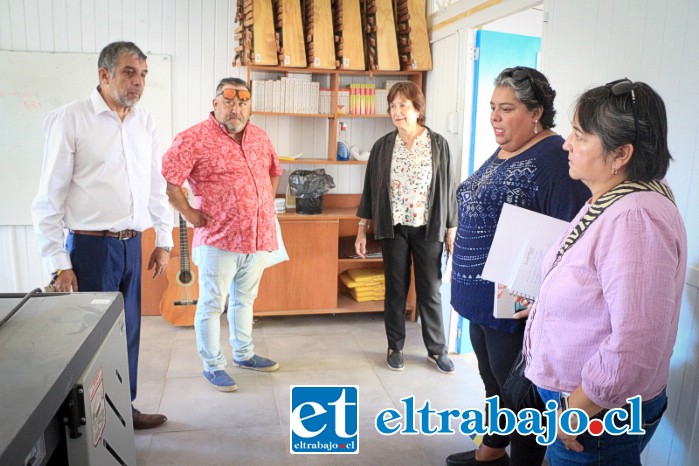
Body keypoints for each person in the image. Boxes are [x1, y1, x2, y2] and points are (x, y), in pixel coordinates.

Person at [522, 79, 687, 465]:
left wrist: (576, 409)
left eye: (580, 136)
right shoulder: (619, 195)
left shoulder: (636, 217)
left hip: (596, 411)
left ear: (621, 154)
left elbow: (637, 340)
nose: (566, 144)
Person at [447, 67, 590, 466]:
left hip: (514, 309)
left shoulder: (555, 159)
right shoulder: (506, 147)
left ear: (536, 113)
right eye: (493, 107)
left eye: (506, 109)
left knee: (524, 401)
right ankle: (492, 453)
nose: (494, 116)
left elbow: (571, 239)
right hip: (480, 304)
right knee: (495, 389)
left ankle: (517, 459)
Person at [31, 41, 173, 430]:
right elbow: (47, 200)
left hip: (132, 245)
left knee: (127, 333)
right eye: (129, 72)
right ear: (104, 74)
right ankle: (91, 422)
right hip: (90, 248)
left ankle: (122, 410)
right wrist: (59, 263)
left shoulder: (145, 123)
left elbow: (155, 186)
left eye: (143, 74)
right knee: (90, 340)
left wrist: (163, 240)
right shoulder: (71, 120)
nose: (138, 82)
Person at [162, 77, 283, 392]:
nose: (236, 108)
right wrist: (189, 214)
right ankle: (213, 366)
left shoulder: (259, 137)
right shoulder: (193, 139)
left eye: (243, 102)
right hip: (218, 239)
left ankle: (243, 354)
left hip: (257, 239)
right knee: (213, 304)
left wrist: (265, 206)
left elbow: (274, 172)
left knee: (245, 300)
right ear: (215, 104)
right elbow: (171, 183)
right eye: (228, 101)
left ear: (250, 107)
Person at [355, 81, 457, 374]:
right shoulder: (383, 146)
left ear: (417, 108)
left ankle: (436, 350)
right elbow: (370, 190)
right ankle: (395, 346)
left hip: (428, 228)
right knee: (395, 289)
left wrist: (451, 229)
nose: (397, 112)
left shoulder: (438, 144)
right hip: (394, 226)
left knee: (431, 290)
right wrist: (362, 229)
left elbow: (448, 189)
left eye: (403, 105)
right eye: (392, 106)